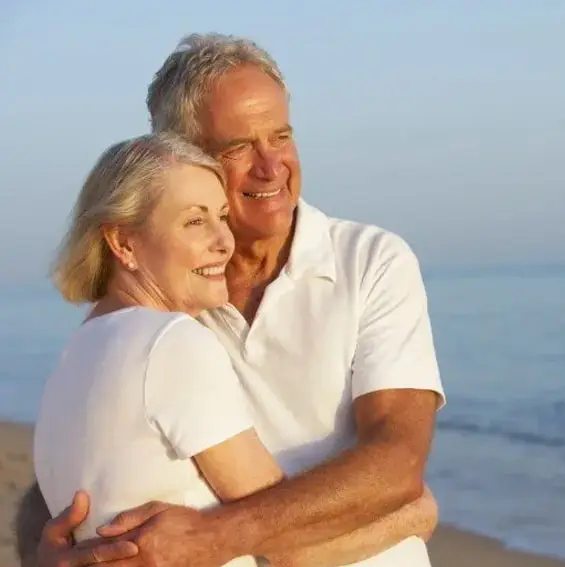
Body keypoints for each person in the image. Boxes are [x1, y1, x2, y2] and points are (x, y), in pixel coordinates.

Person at [19, 32, 445, 567]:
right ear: (181, 157)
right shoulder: (161, 319)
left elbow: (396, 460)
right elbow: (83, 463)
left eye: (281, 135)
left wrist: (217, 535)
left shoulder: (370, 260)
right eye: (237, 148)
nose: (271, 166)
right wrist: (48, 552)